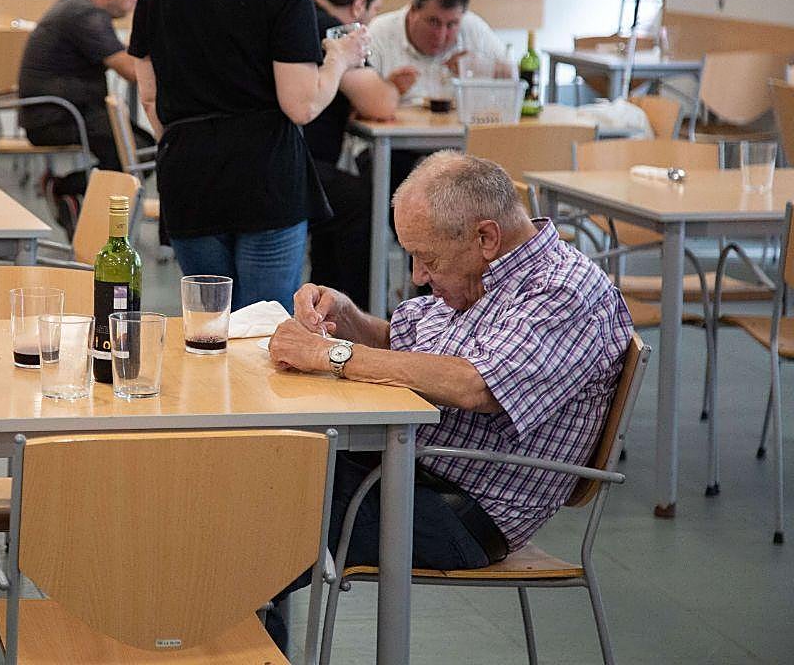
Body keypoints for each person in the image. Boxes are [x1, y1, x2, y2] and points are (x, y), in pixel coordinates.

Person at [265, 151, 632, 643]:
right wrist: (348, 316)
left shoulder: (566, 290)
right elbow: (402, 343)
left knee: (265, 523)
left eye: (427, 259)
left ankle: (201, 631)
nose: (418, 275)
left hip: (464, 512)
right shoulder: (479, 275)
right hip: (408, 470)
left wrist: (332, 354)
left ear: (485, 237)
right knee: (255, 475)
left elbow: (474, 384)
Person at [128, 0, 366, 312]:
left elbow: (150, 95)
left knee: (209, 327)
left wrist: (186, 140)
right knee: (265, 329)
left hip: (190, 175)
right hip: (266, 179)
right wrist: (339, 58)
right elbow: (300, 105)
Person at [19, 0, 153, 234]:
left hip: (57, 113)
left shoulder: (73, 6)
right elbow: (130, 70)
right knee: (140, 152)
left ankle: (73, 196)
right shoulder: (86, 15)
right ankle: (66, 189)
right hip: (58, 118)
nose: (135, 0)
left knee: (140, 147)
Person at [305, 0, 401, 307]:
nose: (371, 19)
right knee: (363, 203)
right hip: (302, 164)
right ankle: (355, 315)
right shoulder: (334, 32)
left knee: (345, 200)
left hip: (272, 159)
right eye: (374, 10)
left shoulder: (303, 16)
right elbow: (380, 104)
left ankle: (326, 305)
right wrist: (393, 89)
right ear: (359, 5)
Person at [367, 0, 506, 101]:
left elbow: (515, 76)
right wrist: (388, 89)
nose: (441, 35)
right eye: (433, 22)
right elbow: (357, 104)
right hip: (399, 125)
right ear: (413, 11)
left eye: (451, 25)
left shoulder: (473, 28)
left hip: (460, 124)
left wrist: (480, 68)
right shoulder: (379, 33)